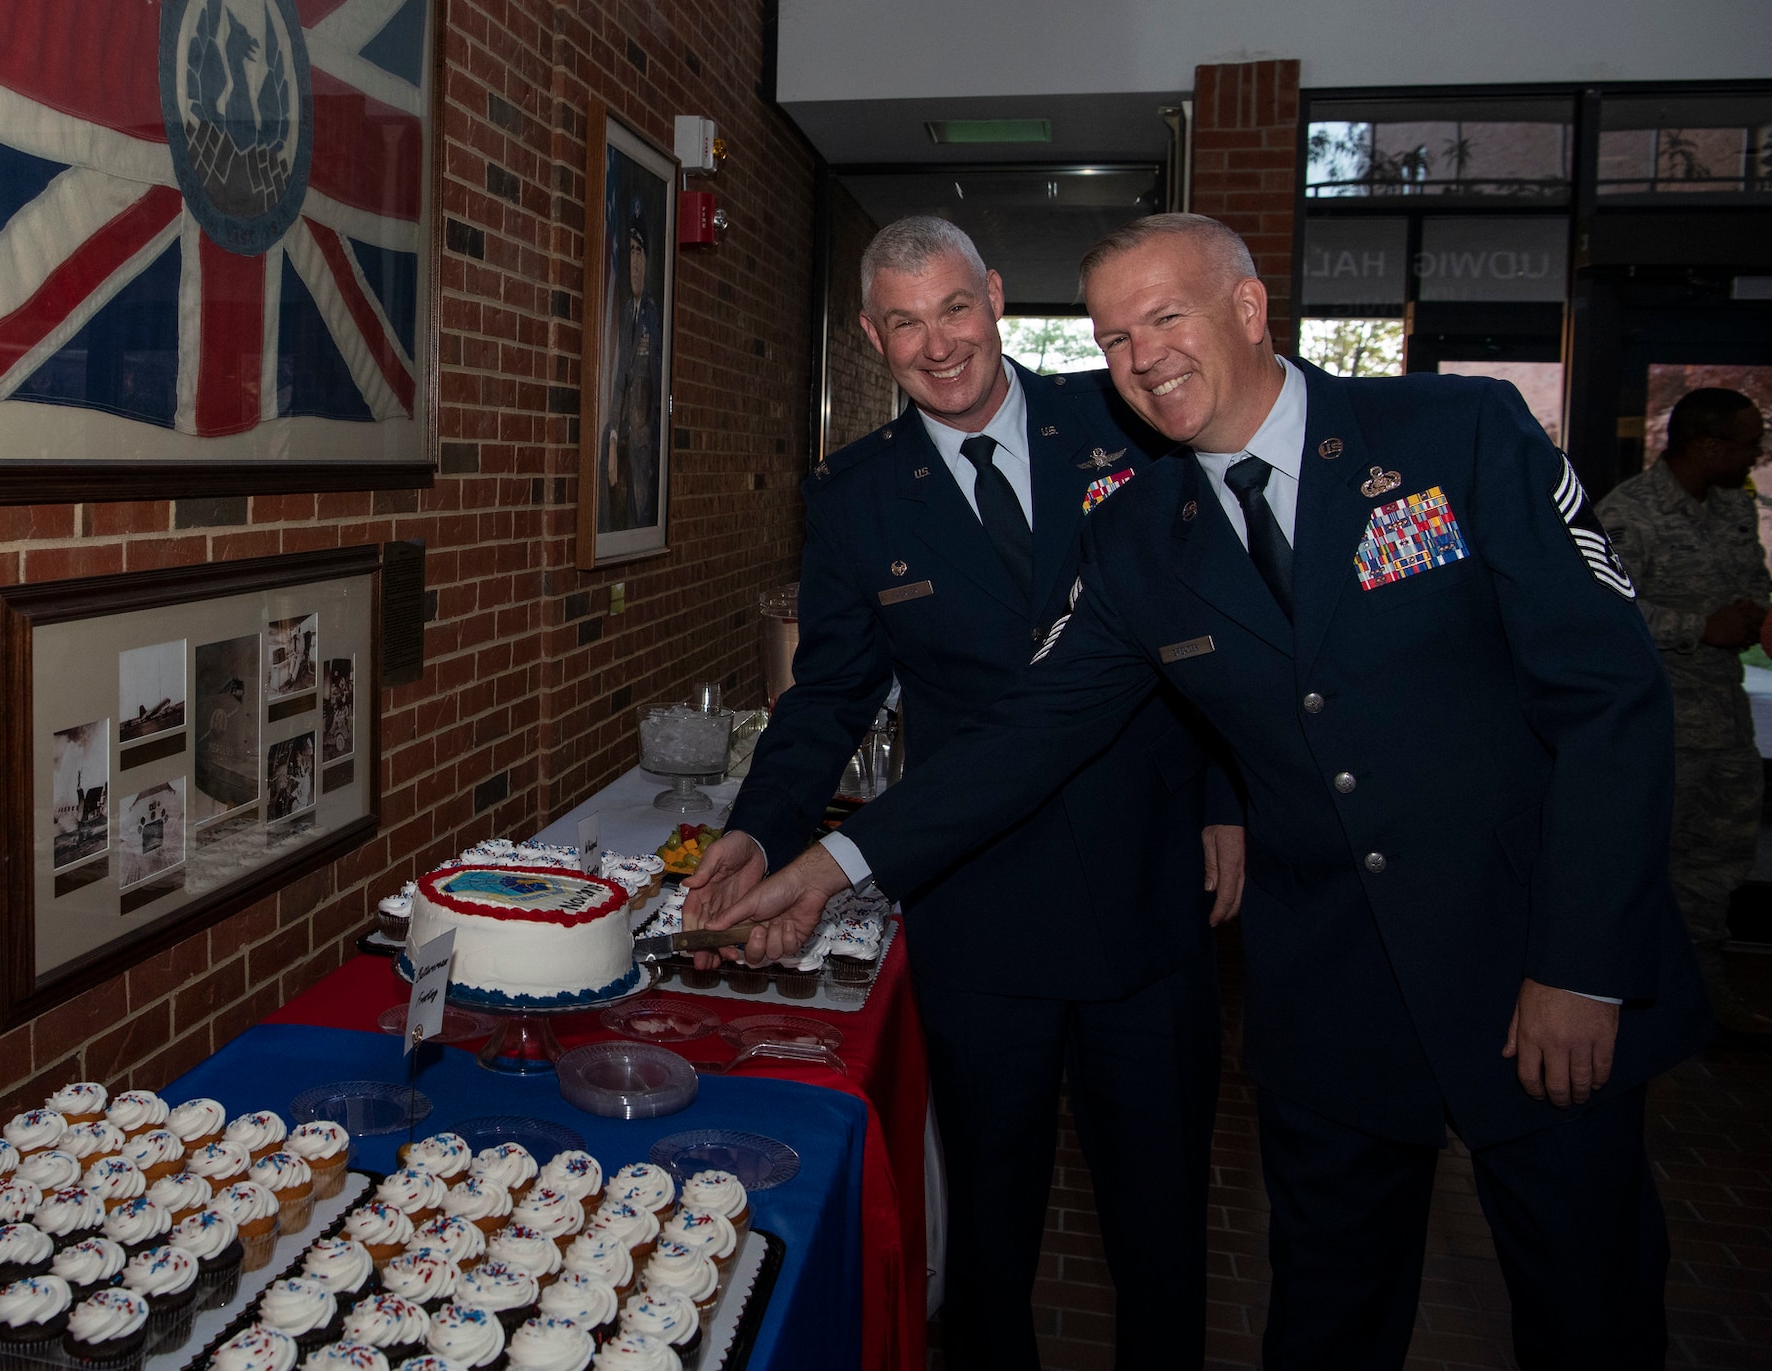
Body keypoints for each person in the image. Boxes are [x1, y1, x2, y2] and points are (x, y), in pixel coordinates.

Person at [699, 214, 1713, 1369]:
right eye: (1113, 336)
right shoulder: (1144, 534)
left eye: (1164, 318)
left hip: (1529, 962)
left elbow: (1608, 704)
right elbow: (1025, 731)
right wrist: (823, 867)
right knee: (1323, 1316)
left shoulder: (1453, 434)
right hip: (1325, 991)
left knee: (1588, 1307)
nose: (1141, 357)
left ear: (1246, 308)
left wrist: (1581, 959)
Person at [683, 216, 1243, 1370]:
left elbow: (1220, 622)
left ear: (992, 296)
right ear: (869, 336)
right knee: (989, 1230)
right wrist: (758, 828)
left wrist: (1227, 794)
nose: (936, 345)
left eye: (951, 309)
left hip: (1148, 882)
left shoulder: (1126, 417)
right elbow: (829, 693)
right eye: (903, 323)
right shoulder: (856, 493)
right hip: (979, 907)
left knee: (1159, 1219)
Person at [1598, 390, 1771, 1037]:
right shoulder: (1630, 514)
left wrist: (1751, 611)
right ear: (1706, 445)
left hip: (1724, 715)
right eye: (1748, 441)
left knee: (1718, 861)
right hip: (1659, 720)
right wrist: (1700, 626)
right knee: (1648, 863)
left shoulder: (1733, 505)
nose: (1757, 453)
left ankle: (1704, 998)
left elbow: (1753, 580)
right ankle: (1642, 1003)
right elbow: (1606, 608)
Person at [601, 206, 662, 532]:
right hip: (623, 432)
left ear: (648, 259)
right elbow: (621, 375)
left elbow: (652, 384)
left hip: (643, 439)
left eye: (640, 252)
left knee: (640, 509)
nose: (634, 262)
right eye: (631, 252)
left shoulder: (653, 314)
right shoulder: (627, 312)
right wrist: (612, 430)